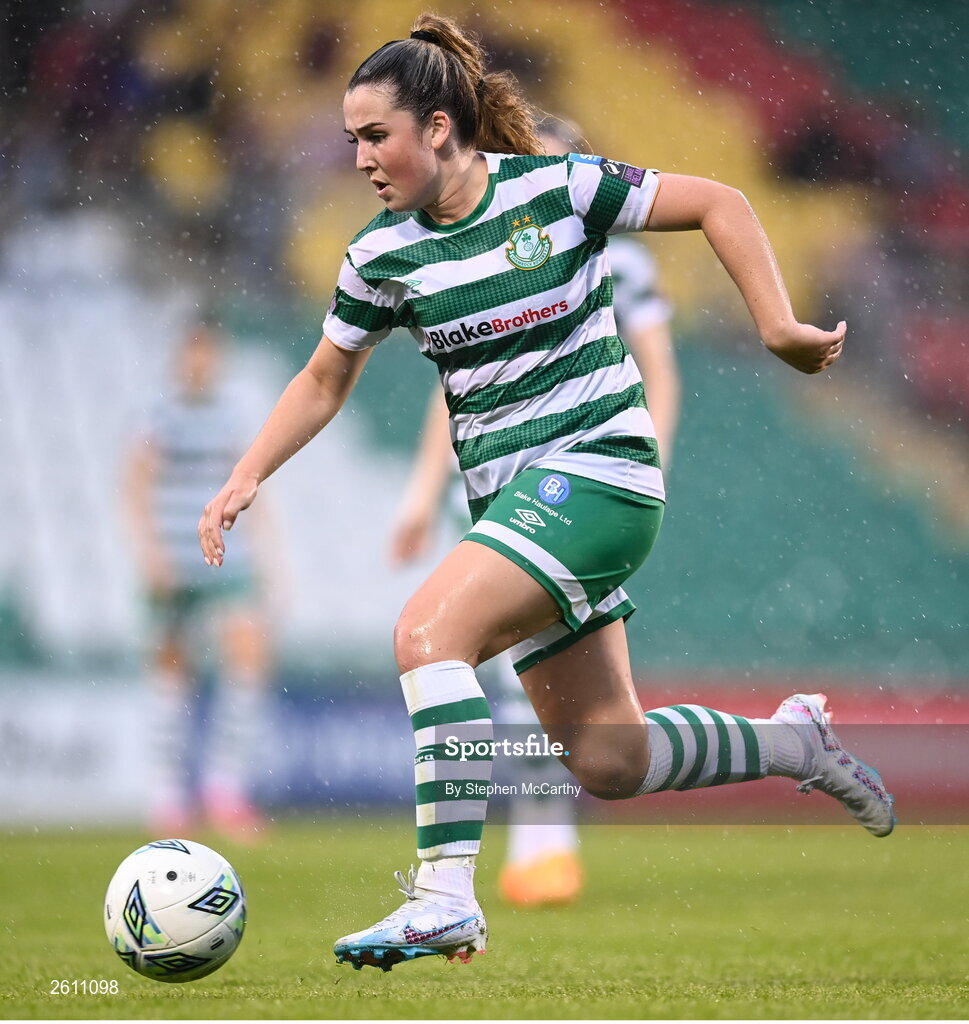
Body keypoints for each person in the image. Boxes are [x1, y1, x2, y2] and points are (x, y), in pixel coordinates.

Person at [198, 13, 894, 972]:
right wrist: (245, 474)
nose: (359, 157)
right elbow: (322, 380)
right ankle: (793, 744)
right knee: (608, 759)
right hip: (516, 507)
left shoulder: (557, 190)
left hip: (600, 473)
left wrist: (776, 326)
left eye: (375, 135)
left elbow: (721, 201)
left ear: (438, 126)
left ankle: (442, 895)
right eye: (351, 139)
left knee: (425, 635)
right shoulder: (380, 254)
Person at [387, 113, 679, 908]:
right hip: (490, 482)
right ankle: (530, 840)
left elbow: (658, 366)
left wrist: (637, 461)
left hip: (578, 477)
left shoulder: (622, 256)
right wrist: (421, 493)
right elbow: (453, 392)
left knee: (520, 677)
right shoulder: (483, 249)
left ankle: (508, 854)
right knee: (540, 696)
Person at [126, 319, 275, 841]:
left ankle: (224, 788)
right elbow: (135, 485)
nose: (200, 363)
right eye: (193, 353)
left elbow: (254, 488)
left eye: (208, 353)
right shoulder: (159, 413)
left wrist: (267, 558)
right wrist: (150, 553)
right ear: (180, 358)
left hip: (228, 560)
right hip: (174, 560)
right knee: (172, 674)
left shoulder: (233, 415)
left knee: (248, 659)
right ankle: (167, 792)